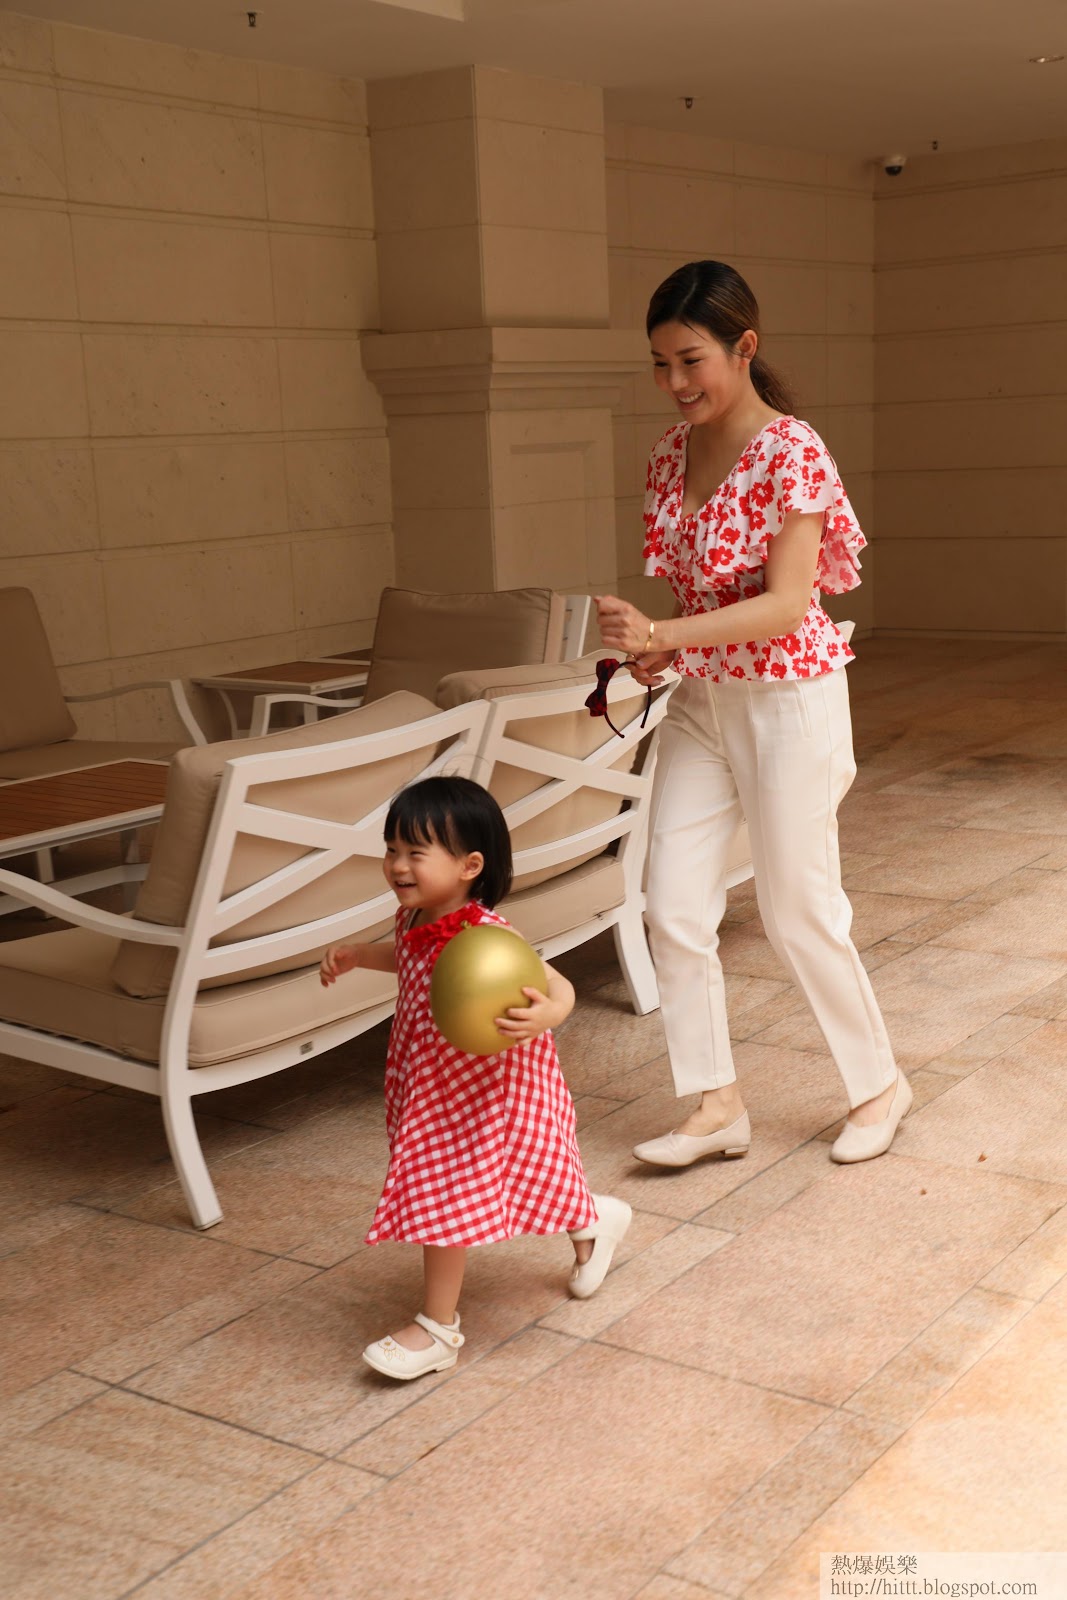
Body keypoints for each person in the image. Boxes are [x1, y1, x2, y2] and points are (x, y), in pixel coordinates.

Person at [594, 259, 908, 1171]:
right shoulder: (669, 453)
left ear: (744, 347)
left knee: (797, 907)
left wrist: (666, 630)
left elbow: (784, 604)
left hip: (787, 699)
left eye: (689, 360)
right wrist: (658, 646)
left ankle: (879, 1086)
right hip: (702, 700)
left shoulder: (791, 451)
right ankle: (715, 1104)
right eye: (659, 364)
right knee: (670, 901)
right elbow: (695, 596)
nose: (674, 382)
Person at [320, 774, 631, 1382]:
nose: (398, 865)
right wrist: (359, 954)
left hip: (493, 1088)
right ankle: (593, 1221)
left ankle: (437, 1329)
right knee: (529, 1169)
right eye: (392, 850)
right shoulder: (413, 918)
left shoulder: (485, 935)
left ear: (470, 866)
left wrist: (549, 1013)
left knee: (442, 1190)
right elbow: (408, 957)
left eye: (416, 852)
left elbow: (558, 984)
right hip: (437, 1082)